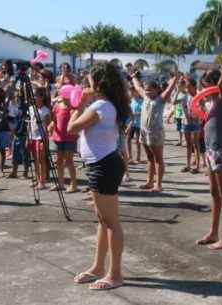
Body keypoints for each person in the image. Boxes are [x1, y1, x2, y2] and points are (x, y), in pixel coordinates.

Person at [69, 62, 130, 291]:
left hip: (103, 165)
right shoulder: (106, 104)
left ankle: (115, 274)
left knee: (111, 222)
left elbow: (72, 127)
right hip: (102, 164)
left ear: (99, 82)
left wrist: (80, 102)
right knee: (104, 221)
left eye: (90, 79)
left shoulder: (100, 106)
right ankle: (97, 267)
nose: (88, 83)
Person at [196, 65, 222, 250]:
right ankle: (213, 232)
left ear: (213, 84)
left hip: (220, 148)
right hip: (210, 149)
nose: (204, 89)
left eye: (206, 85)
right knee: (214, 192)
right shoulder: (210, 101)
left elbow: (221, 86)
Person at [131, 70, 179, 193]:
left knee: (158, 159)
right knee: (149, 159)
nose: (147, 92)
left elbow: (169, 89)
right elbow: (137, 86)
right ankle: (149, 181)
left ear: (157, 90)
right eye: (146, 90)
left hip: (155, 132)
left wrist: (175, 78)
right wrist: (133, 77)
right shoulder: (145, 97)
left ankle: (158, 184)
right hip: (144, 131)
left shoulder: (160, 99)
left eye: (150, 90)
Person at [48, 89, 79, 193]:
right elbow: (54, 120)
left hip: (70, 138)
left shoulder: (74, 108)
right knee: (59, 160)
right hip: (58, 137)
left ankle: (73, 184)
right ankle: (60, 183)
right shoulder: (57, 107)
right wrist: (51, 126)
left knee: (69, 160)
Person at [28, 87, 52, 190]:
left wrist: (46, 140)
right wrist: (28, 137)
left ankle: (42, 181)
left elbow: (48, 127)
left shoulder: (46, 111)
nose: (34, 98)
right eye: (33, 95)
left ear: (42, 97)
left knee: (41, 160)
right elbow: (29, 124)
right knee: (35, 160)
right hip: (32, 137)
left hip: (41, 138)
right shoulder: (31, 109)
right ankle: (37, 179)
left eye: (36, 96)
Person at [126, 86, 143, 164]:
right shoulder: (130, 101)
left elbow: (143, 112)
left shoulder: (141, 101)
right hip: (130, 124)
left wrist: (134, 114)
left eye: (133, 91)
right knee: (128, 140)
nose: (131, 93)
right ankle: (129, 156)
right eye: (130, 91)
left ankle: (138, 157)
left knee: (138, 141)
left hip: (139, 124)